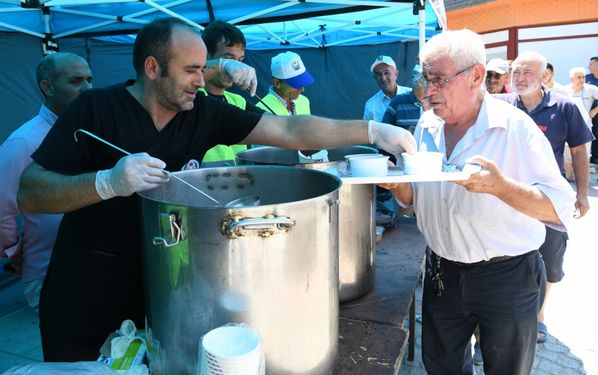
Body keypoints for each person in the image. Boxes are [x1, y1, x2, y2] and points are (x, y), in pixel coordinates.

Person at [17, 17, 415, 362]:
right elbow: (31, 191)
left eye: (204, 68)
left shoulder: (202, 113)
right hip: (88, 294)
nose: (200, 80)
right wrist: (106, 182)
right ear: (153, 68)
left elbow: (289, 130)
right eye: (192, 70)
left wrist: (370, 130)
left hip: (164, 290)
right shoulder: (95, 110)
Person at [381, 29, 575, 375]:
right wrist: (398, 187)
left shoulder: (514, 128)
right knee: (442, 366)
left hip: (506, 277)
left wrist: (501, 187)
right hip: (442, 271)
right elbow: (416, 202)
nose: (428, 91)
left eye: (439, 80)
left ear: (476, 76)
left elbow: (559, 207)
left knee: (506, 369)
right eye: (425, 79)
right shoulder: (428, 125)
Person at [497, 51, 594, 344]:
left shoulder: (565, 107)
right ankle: (502, 316)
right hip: (510, 197)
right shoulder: (501, 106)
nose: (520, 78)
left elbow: (579, 151)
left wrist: (583, 193)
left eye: (528, 73)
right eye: (516, 73)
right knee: (506, 258)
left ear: (544, 77)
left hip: (550, 199)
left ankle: (539, 315)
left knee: (549, 260)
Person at [0, 53, 92, 310]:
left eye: (89, 80)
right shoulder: (24, 142)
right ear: (47, 87)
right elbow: (2, 209)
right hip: (50, 272)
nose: (86, 89)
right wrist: (13, 251)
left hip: (91, 263)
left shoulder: (89, 130)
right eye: (75, 81)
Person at [200, 20, 264, 165]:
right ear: (206, 57)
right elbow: (181, 79)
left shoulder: (237, 101)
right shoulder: (189, 97)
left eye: (240, 60)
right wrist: (221, 66)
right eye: (229, 59)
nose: (237, 66)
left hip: (235, 181)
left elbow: (271, 122)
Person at [255, 51, 313, 115]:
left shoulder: (304, 101)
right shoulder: (260, 110)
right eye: (296, 83)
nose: (302, 89)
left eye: (302, 81)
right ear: (277, 83)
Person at [381, 64, 430, 133]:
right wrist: (404, 133)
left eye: (426, 78)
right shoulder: (398, 101)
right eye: (421, 78)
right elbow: (383, 131)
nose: (424, 82)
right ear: (412, 78)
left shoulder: (437, 101)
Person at [363, 55, 411, 121]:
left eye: (387, 73)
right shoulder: (370, 105)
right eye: (379, 74)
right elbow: (367, 130)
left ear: (396, 74)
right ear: (375, 78)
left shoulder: (412, 95)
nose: (383, 78)